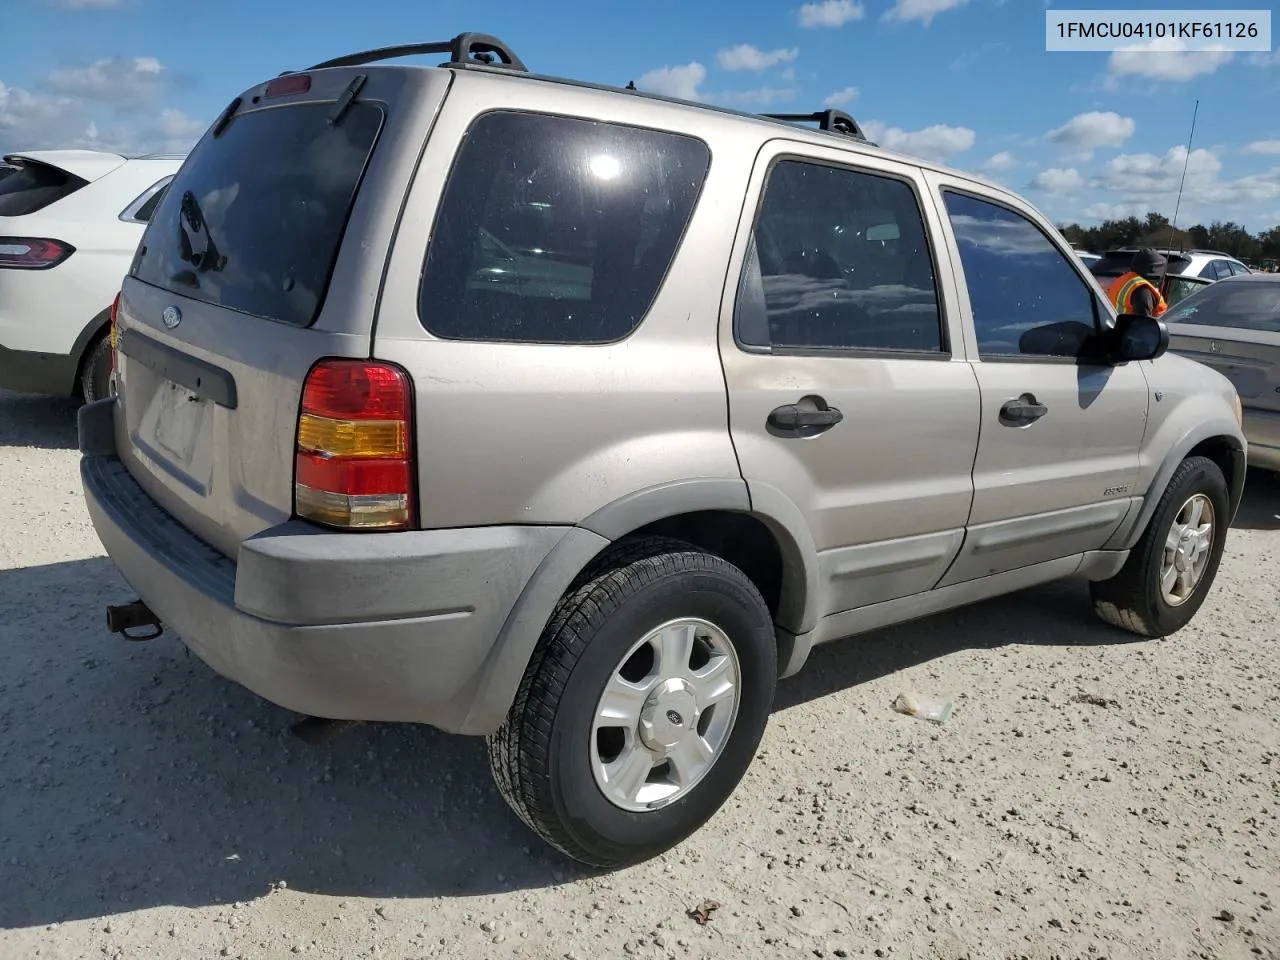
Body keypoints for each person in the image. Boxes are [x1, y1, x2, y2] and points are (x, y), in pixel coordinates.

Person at [1106, 248, 1169, 318]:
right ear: (1156, 272)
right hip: (1127, 328)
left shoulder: (1123, 280)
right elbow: (1142, 325)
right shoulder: (1142, 291)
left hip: (1115, 325)